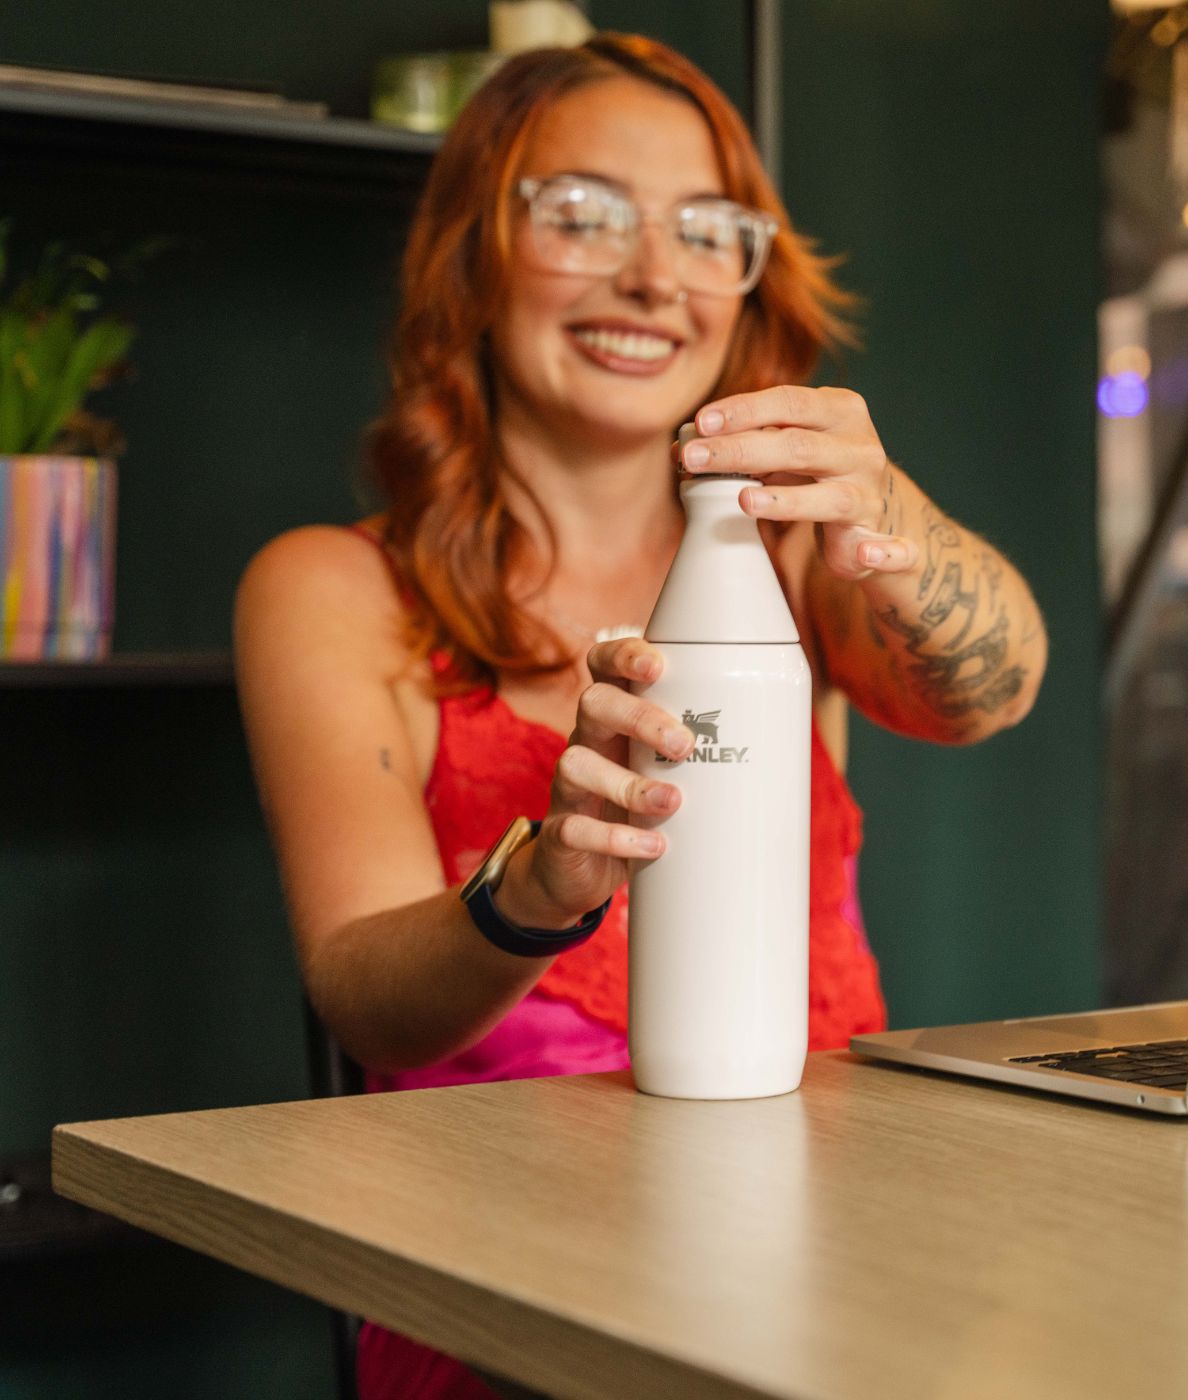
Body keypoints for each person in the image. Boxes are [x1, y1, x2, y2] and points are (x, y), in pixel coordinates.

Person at [233, 33, 1047, 1400]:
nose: (653, 278)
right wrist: (538, 884)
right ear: (473, 255)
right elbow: (370, 1006)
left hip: (836, 1250)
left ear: (748, 282)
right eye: (583, 215)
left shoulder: (797, 562)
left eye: (705, 232)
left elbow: (995, 690)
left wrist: (887, 508)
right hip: (506, 1280)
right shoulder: (334, 589)